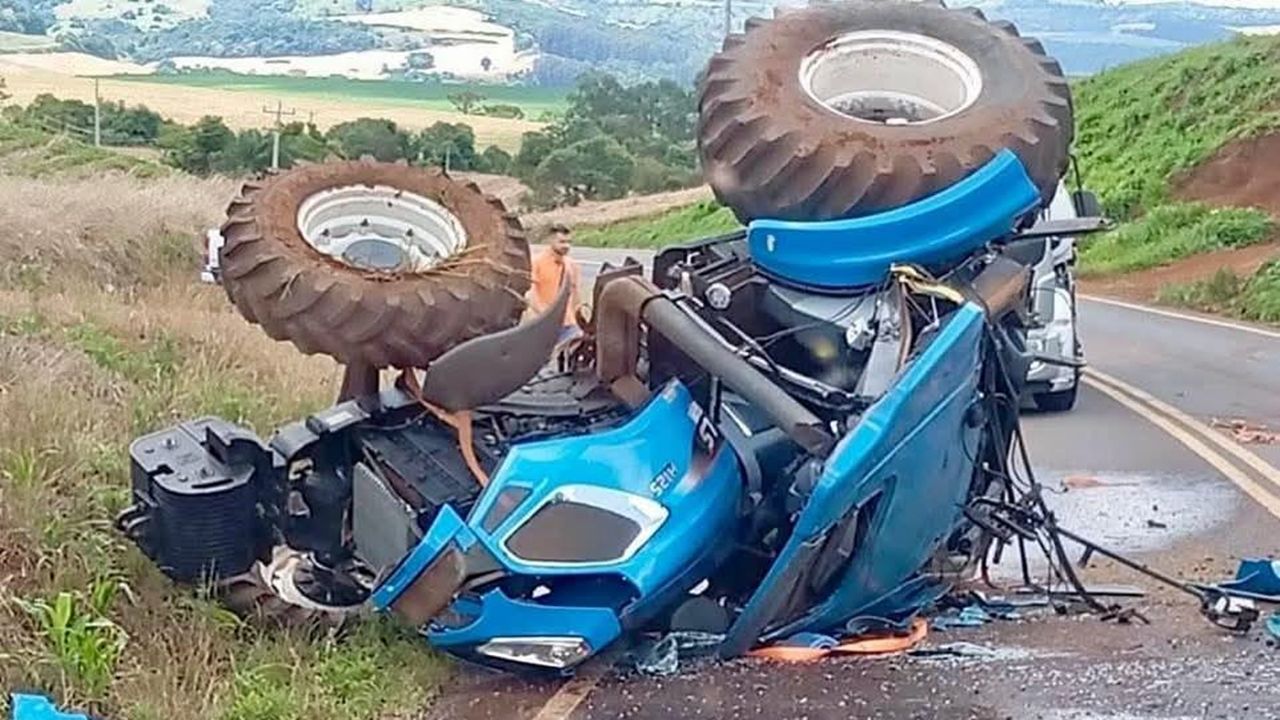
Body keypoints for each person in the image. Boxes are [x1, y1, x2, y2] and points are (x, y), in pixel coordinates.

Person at [529, 223, 583, 343]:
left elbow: (576, 296)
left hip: (569, 325)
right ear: (551, 240)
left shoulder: (572, 266)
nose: (566, 246)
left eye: (569, 242)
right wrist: (544, 316)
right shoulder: (536, 262)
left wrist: (578, 319)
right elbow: (531, 294)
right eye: (562, 242)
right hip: (544, 324)